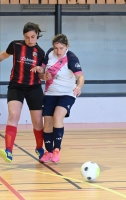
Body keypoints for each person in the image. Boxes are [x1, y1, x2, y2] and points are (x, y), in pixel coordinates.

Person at [0, 22, 45, 163]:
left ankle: (39, 148)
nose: (30, 40)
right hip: (16, 87)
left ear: (37, 35)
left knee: (37, 122)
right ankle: (8, 151)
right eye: (27, 37)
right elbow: (2, 56)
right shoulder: (16, 45)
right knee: (13, 115)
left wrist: (42, 72)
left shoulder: (41, 53)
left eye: (33, 37)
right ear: (23, 36)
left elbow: (42, 74)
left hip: (34, 88)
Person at [31, 34, 85, 163]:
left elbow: (81, 77)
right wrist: (41, 71)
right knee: (47, 121)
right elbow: (42, 70)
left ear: (66, 46)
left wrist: (78, 87)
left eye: (61, 48)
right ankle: (48, 152)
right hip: (50, 93)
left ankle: (56, 150)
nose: (58, 51)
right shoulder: (50, 53)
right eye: (56, 48)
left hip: (67, 93)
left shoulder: (71, 58)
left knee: (57, 116)